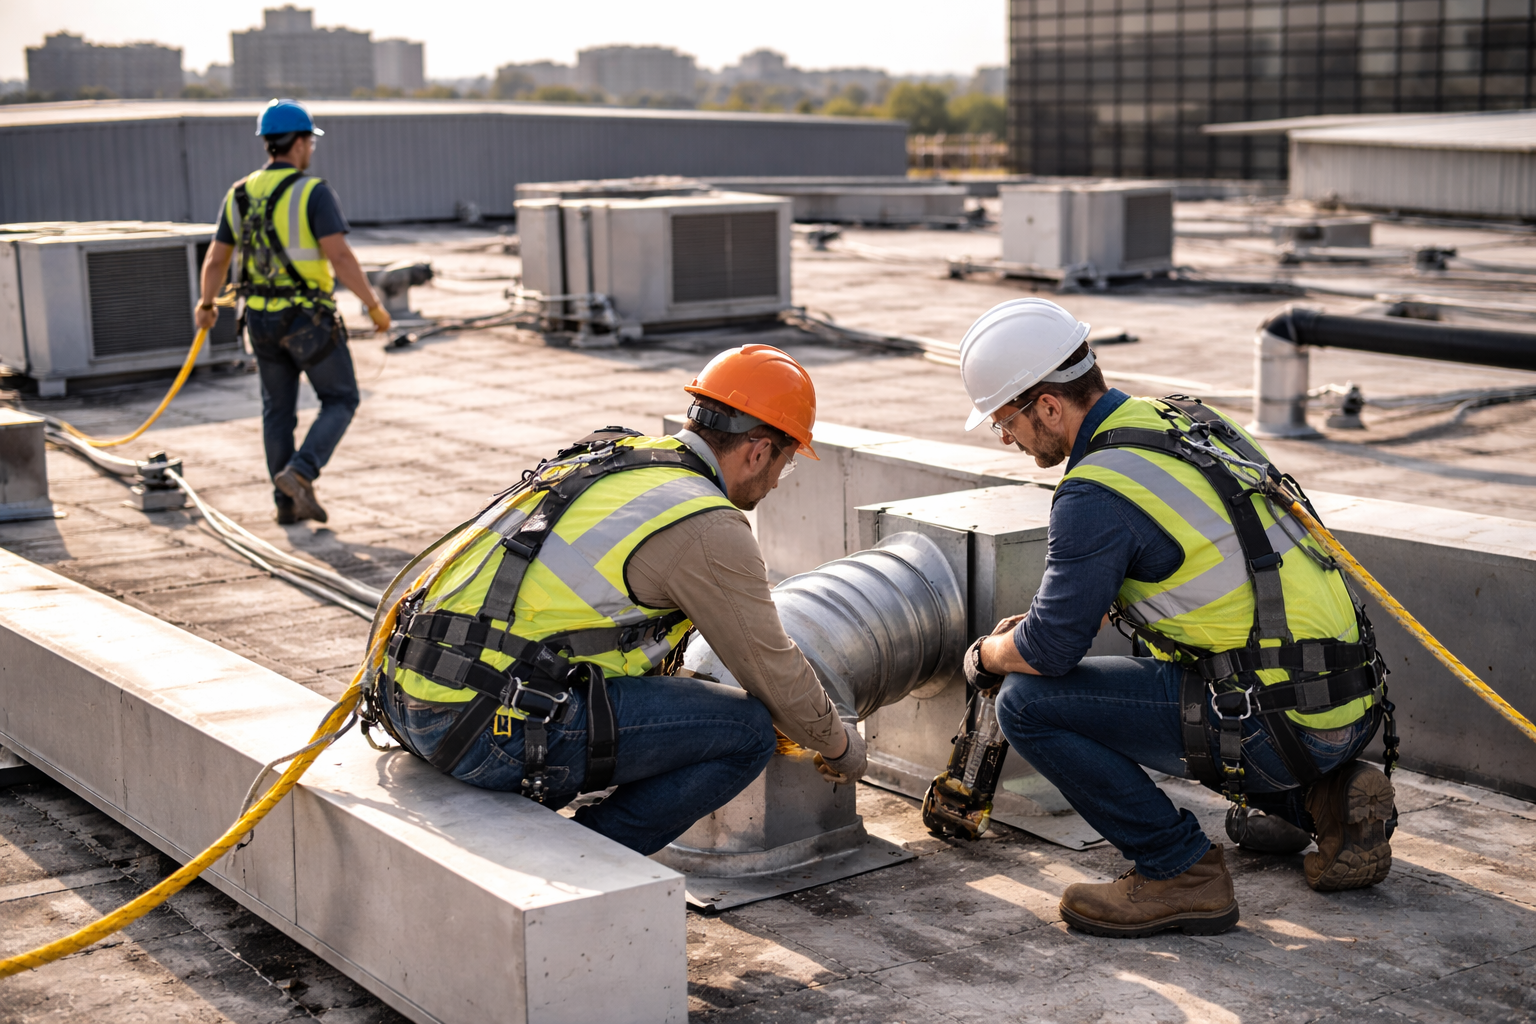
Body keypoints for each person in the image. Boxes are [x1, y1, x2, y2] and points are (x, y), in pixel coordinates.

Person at [957, 297, 1396, 938]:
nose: (1009, 440)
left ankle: (1178, 871)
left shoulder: (1093, 492)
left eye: (1005, 423)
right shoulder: (1186, 420)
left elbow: (1049, 652)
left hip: (1275, 719)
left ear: (1047, 405)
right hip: (1348, 703)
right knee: (1181, 686)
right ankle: (1326, 800)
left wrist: (986, 655)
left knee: (1026, 702)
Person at [367, 344, 866, 855]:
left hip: (407, 696)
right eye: (785, 463)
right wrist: (841, 746)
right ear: (759, 450)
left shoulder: (613, 455)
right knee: (748, 732)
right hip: (481, 732)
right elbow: (771, 668)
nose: (778, 481)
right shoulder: (708, 523)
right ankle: (588, 860)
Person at [196, 98, 391, 526]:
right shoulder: (313, 191)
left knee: (277, 411)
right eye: (311, 142)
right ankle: (300, 473)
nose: (311, 150)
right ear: (300, 143)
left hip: (260, 321)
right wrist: (374, 306)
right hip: (308, 321)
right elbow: (339, 257)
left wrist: (207, 305)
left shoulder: (239, 193)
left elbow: (215, 260)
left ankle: (285, 505)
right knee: (341, 398)